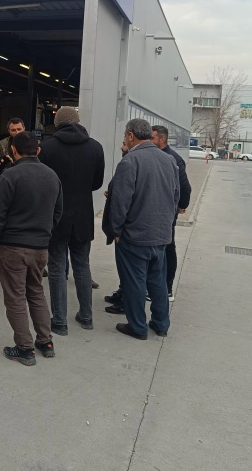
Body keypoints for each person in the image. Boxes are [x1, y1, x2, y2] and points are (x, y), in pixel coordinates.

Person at [0, 132, 63, 366]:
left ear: (13, 151)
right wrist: (44, 233)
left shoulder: (10, 176)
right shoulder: (52, 176)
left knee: (15, 298)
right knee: (36, 292)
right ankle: (46, 342)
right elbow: (58, 212)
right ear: (38, 150)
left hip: (11, 246)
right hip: (40, 246)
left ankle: (24, 348)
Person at [108, 119, 179, 341]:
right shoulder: (169, 160)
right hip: (161, 234)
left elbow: (120, 202)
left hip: (135, 235)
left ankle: (137, 326)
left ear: (130, 136)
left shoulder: (130, 161)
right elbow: (175, 197)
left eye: (125, 136)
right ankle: (161, 323)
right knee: (157, 281)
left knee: (135, 282)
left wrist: (116, 230)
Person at [39, 106, 105, 335]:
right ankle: (86, 317)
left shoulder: (47, 148)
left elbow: (43, 183)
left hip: (56, 216)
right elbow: (97, 183)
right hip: (83, 216)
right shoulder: (95, 147)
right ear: (78, 121)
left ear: (57, 123)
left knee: (57, 268)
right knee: (82, 266)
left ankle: (59, 321)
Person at [151, 125, 192, 301]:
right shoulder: (151, 156)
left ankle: (167, 288)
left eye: (152, 138)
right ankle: (154, 285)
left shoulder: (174, 159)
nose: (149, 140)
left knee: (168, 246)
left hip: (167, 212)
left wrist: (181, 205)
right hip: (153, 210)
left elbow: (185, 187)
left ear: (162, 139)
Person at [102, 137, 129, 315]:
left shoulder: (129, 163)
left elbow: (123, 200)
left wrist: (117, 230)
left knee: (129, 270)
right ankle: (122, 292)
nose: (121, 147)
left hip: (128, 229)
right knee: (125, 269)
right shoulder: (128, 161)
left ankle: (126, 302)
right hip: (128, 227)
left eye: (124, 143)